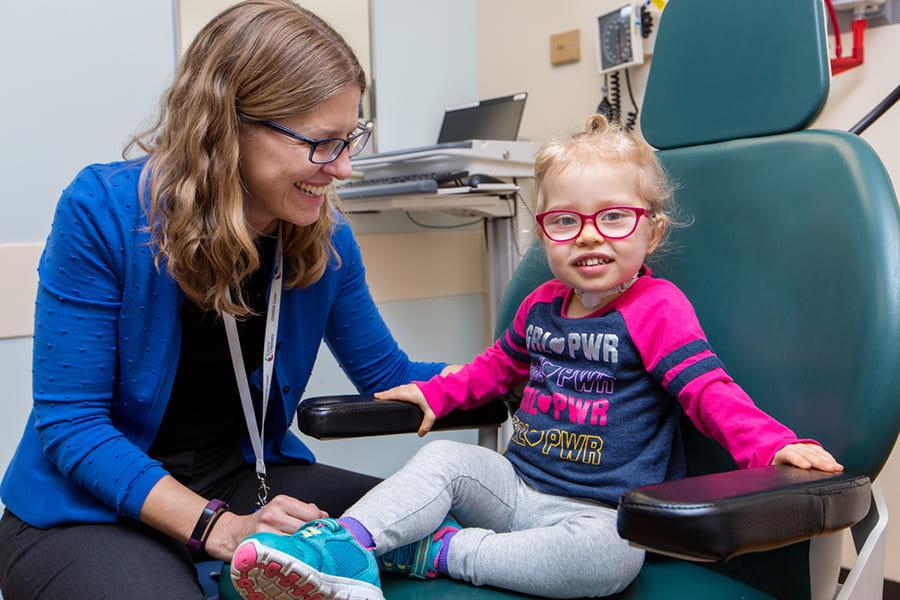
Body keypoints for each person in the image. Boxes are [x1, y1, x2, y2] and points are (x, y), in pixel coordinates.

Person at [228, 114, 845, 600]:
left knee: (608, 560)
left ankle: (429, 552)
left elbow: (709, 392)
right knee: (445, 457)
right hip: (518, 488)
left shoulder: (658, 308)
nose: (590, 235)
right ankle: (339, 549)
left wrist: (770, 446)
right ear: (543, 233)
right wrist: (430, 394)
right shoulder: (542, 304)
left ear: (652, 232)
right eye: (565, 221)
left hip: (604, 512)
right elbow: (491, 370)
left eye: (614, 218)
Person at [0, 2, 456, 599]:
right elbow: (73, 426)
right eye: (321, 143)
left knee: (440, 534)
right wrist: (218, 527)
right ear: (228, 125)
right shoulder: (102, 213)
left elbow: (390, 377)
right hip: (84, 506)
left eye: (350, 139)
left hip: (247, 479)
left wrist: (525, 370)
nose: (342, 168)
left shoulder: (325, 237)